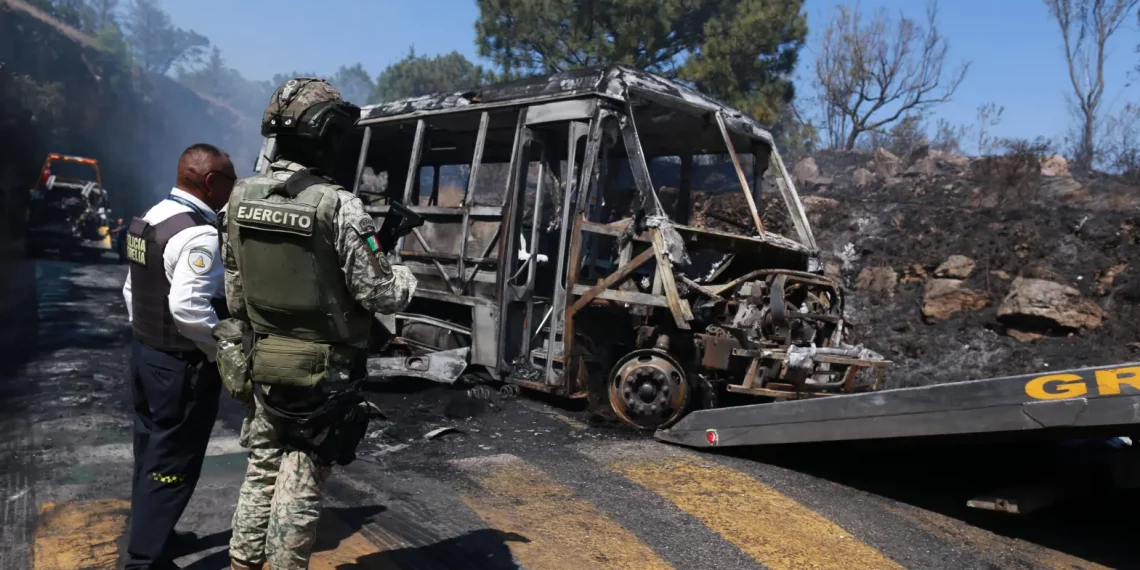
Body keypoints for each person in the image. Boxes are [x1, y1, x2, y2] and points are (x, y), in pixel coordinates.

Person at [220, 77, 417, 570]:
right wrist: (405, 274)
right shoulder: (338, 205)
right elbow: (381, 292)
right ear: (325, 136)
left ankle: (243, 561)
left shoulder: (239, 197)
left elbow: (235, 295)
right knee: (303, 470)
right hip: (324, 371)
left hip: (262, 358)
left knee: (263, 462)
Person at [121, 143, 237, 570]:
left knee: (150, 451)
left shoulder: (149, 218)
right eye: (231, 179)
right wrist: (220, 349)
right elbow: (189, 307)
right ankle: (144, 561)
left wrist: (148, 337)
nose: (234, 187)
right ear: (211, 183)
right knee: (173, 465)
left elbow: (132, 288)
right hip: (179, 366)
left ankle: (156, 537)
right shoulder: (200, 234)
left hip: (146, 355)